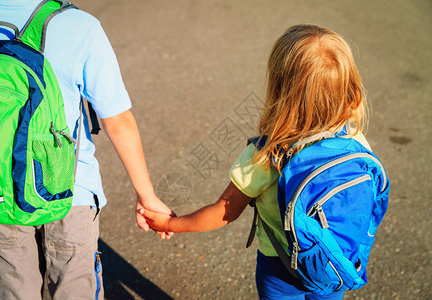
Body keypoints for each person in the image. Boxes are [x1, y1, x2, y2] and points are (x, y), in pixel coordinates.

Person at [140, 24, 372, 300]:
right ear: (348, 88)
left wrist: (168, 224)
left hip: (281, 268)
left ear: (279, 90)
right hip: (335, 265)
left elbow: (222, 212)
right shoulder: (355, 141)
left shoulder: (267, 154)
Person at [0, 1, 172, 299]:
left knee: (12, 290)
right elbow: (118, 121)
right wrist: (147, 197)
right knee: (75, 290)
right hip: (67, 191)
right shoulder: (77, 26)